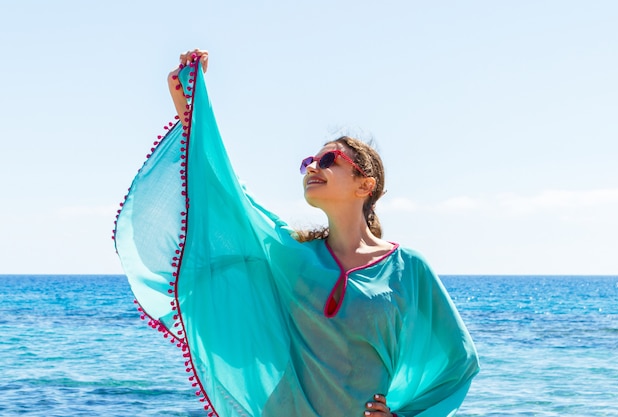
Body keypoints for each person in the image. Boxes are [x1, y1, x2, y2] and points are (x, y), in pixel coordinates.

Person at [114, 49, 479, 417]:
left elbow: (458, 360)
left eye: (327, 161)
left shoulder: (408, 268)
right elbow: (231, 198)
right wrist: (190, 105)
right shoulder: (293, 253)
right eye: (308, 162)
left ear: (364, 185)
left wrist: (401, 414)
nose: (311, 168)